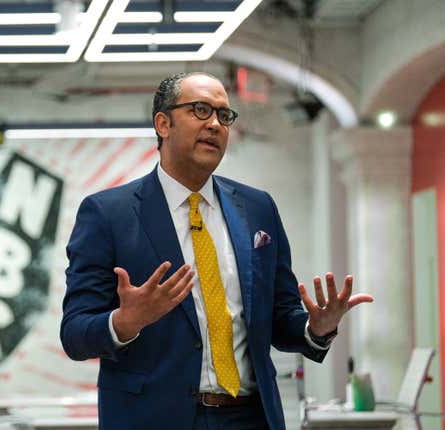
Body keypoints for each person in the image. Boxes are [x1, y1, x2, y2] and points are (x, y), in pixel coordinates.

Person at [60, 72, 373, 430]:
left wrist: (316, 328)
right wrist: (126, 321)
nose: (214, 124)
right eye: (200, 110)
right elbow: (74, 333)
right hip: (153, 418)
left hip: (249, 417)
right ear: (163, 123)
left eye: (224, 115)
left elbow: (280, 318)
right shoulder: (108, 214)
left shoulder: (257, 208)